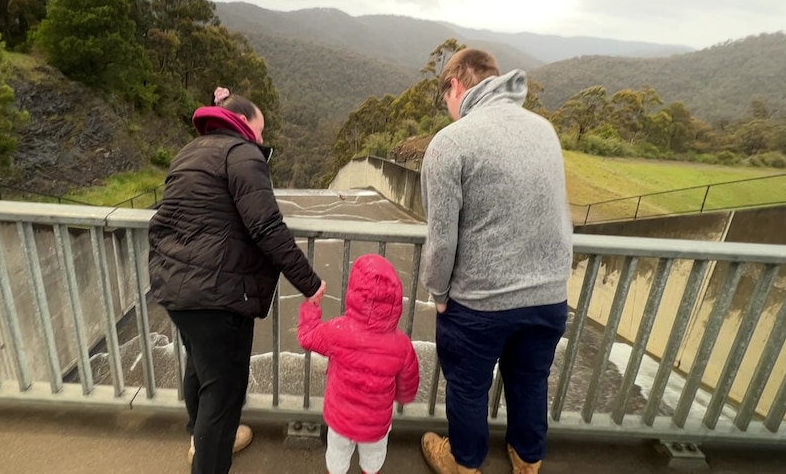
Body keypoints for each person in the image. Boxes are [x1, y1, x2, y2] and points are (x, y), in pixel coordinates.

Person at [148, 87, 326, 474]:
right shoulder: (242, 153)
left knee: (200, 370)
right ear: (243, 123)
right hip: (218, 294)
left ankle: (200, 439)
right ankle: (210, 453)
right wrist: (309, 282)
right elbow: (265, 225)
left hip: (175, 285)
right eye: (260, 132)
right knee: (223, 397)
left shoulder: (189, 152)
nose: (261, 141)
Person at [418, 50, 572, 474]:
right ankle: (527, 459)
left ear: (456, 86)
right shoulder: (545, 130)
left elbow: (441, 238)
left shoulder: (451, 143)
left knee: (468, 388)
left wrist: (440, 294)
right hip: (548, 297)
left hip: (479, 303)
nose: (448, 107)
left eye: (445, 95)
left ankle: (465, 463)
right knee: (530, 380)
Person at [298, 254, 420, 474]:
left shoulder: (337, 331)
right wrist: (401, 397)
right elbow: (408, 386)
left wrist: (311, 307)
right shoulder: (402, 345)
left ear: (354, 293)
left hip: (340, 419)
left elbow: (307, 338)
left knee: (337, 458)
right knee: (373, 460)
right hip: (377, 423)